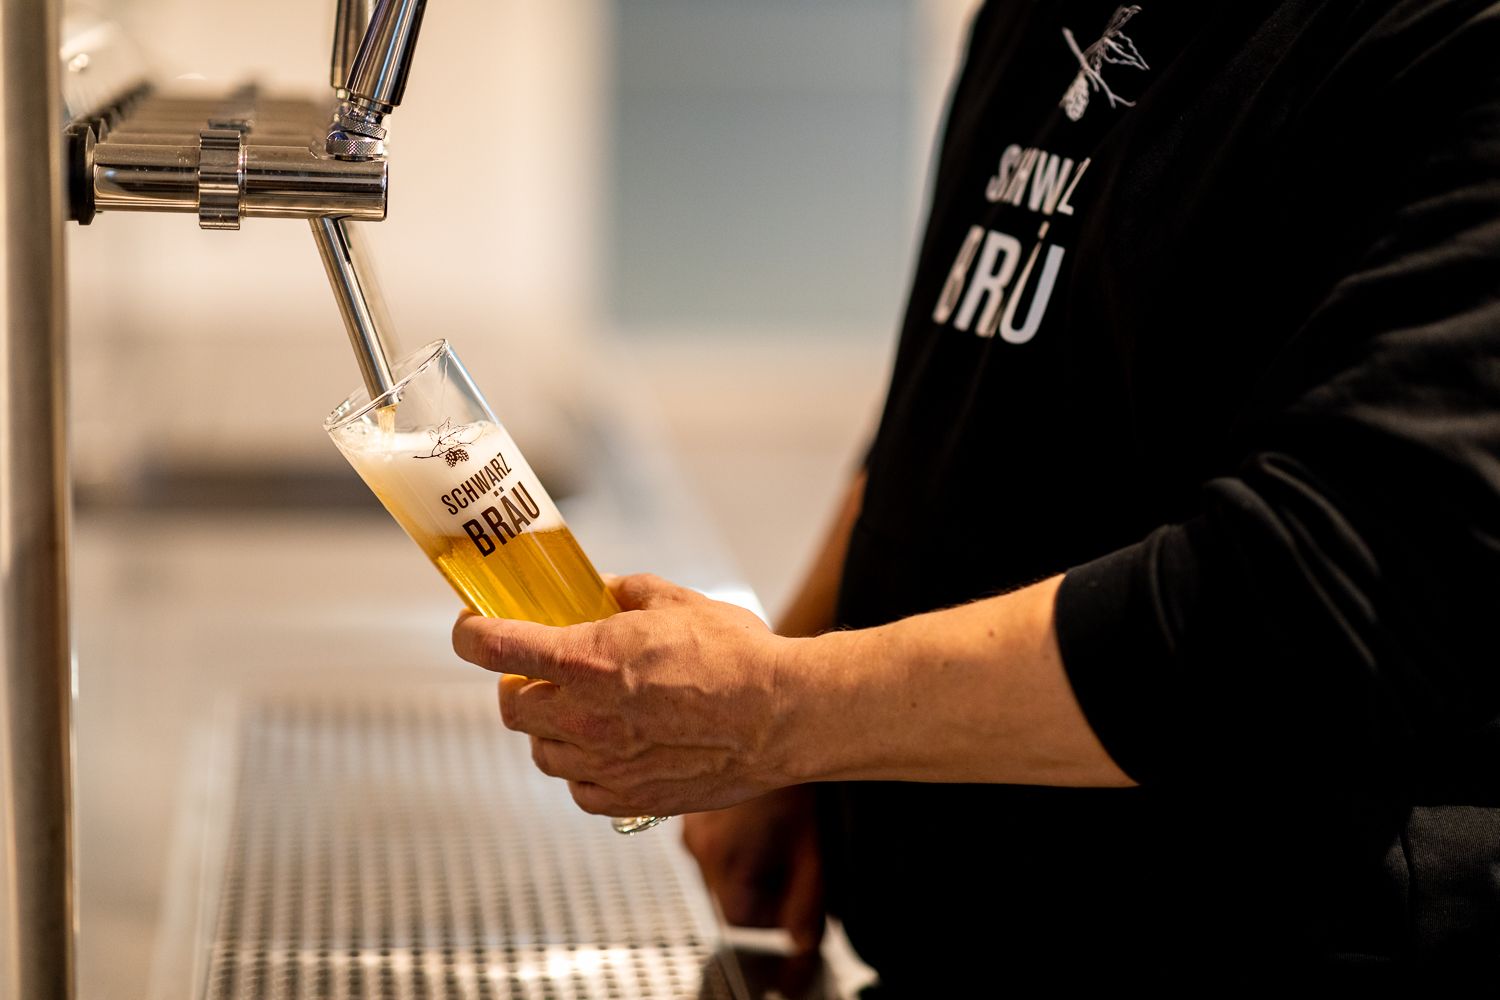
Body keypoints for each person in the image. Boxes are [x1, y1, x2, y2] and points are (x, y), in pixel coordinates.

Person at [452, 0, 1500, 988]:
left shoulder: (1445, 40)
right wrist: (788, 730)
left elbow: (1311, 599)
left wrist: (783, 713)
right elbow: (956, 391)